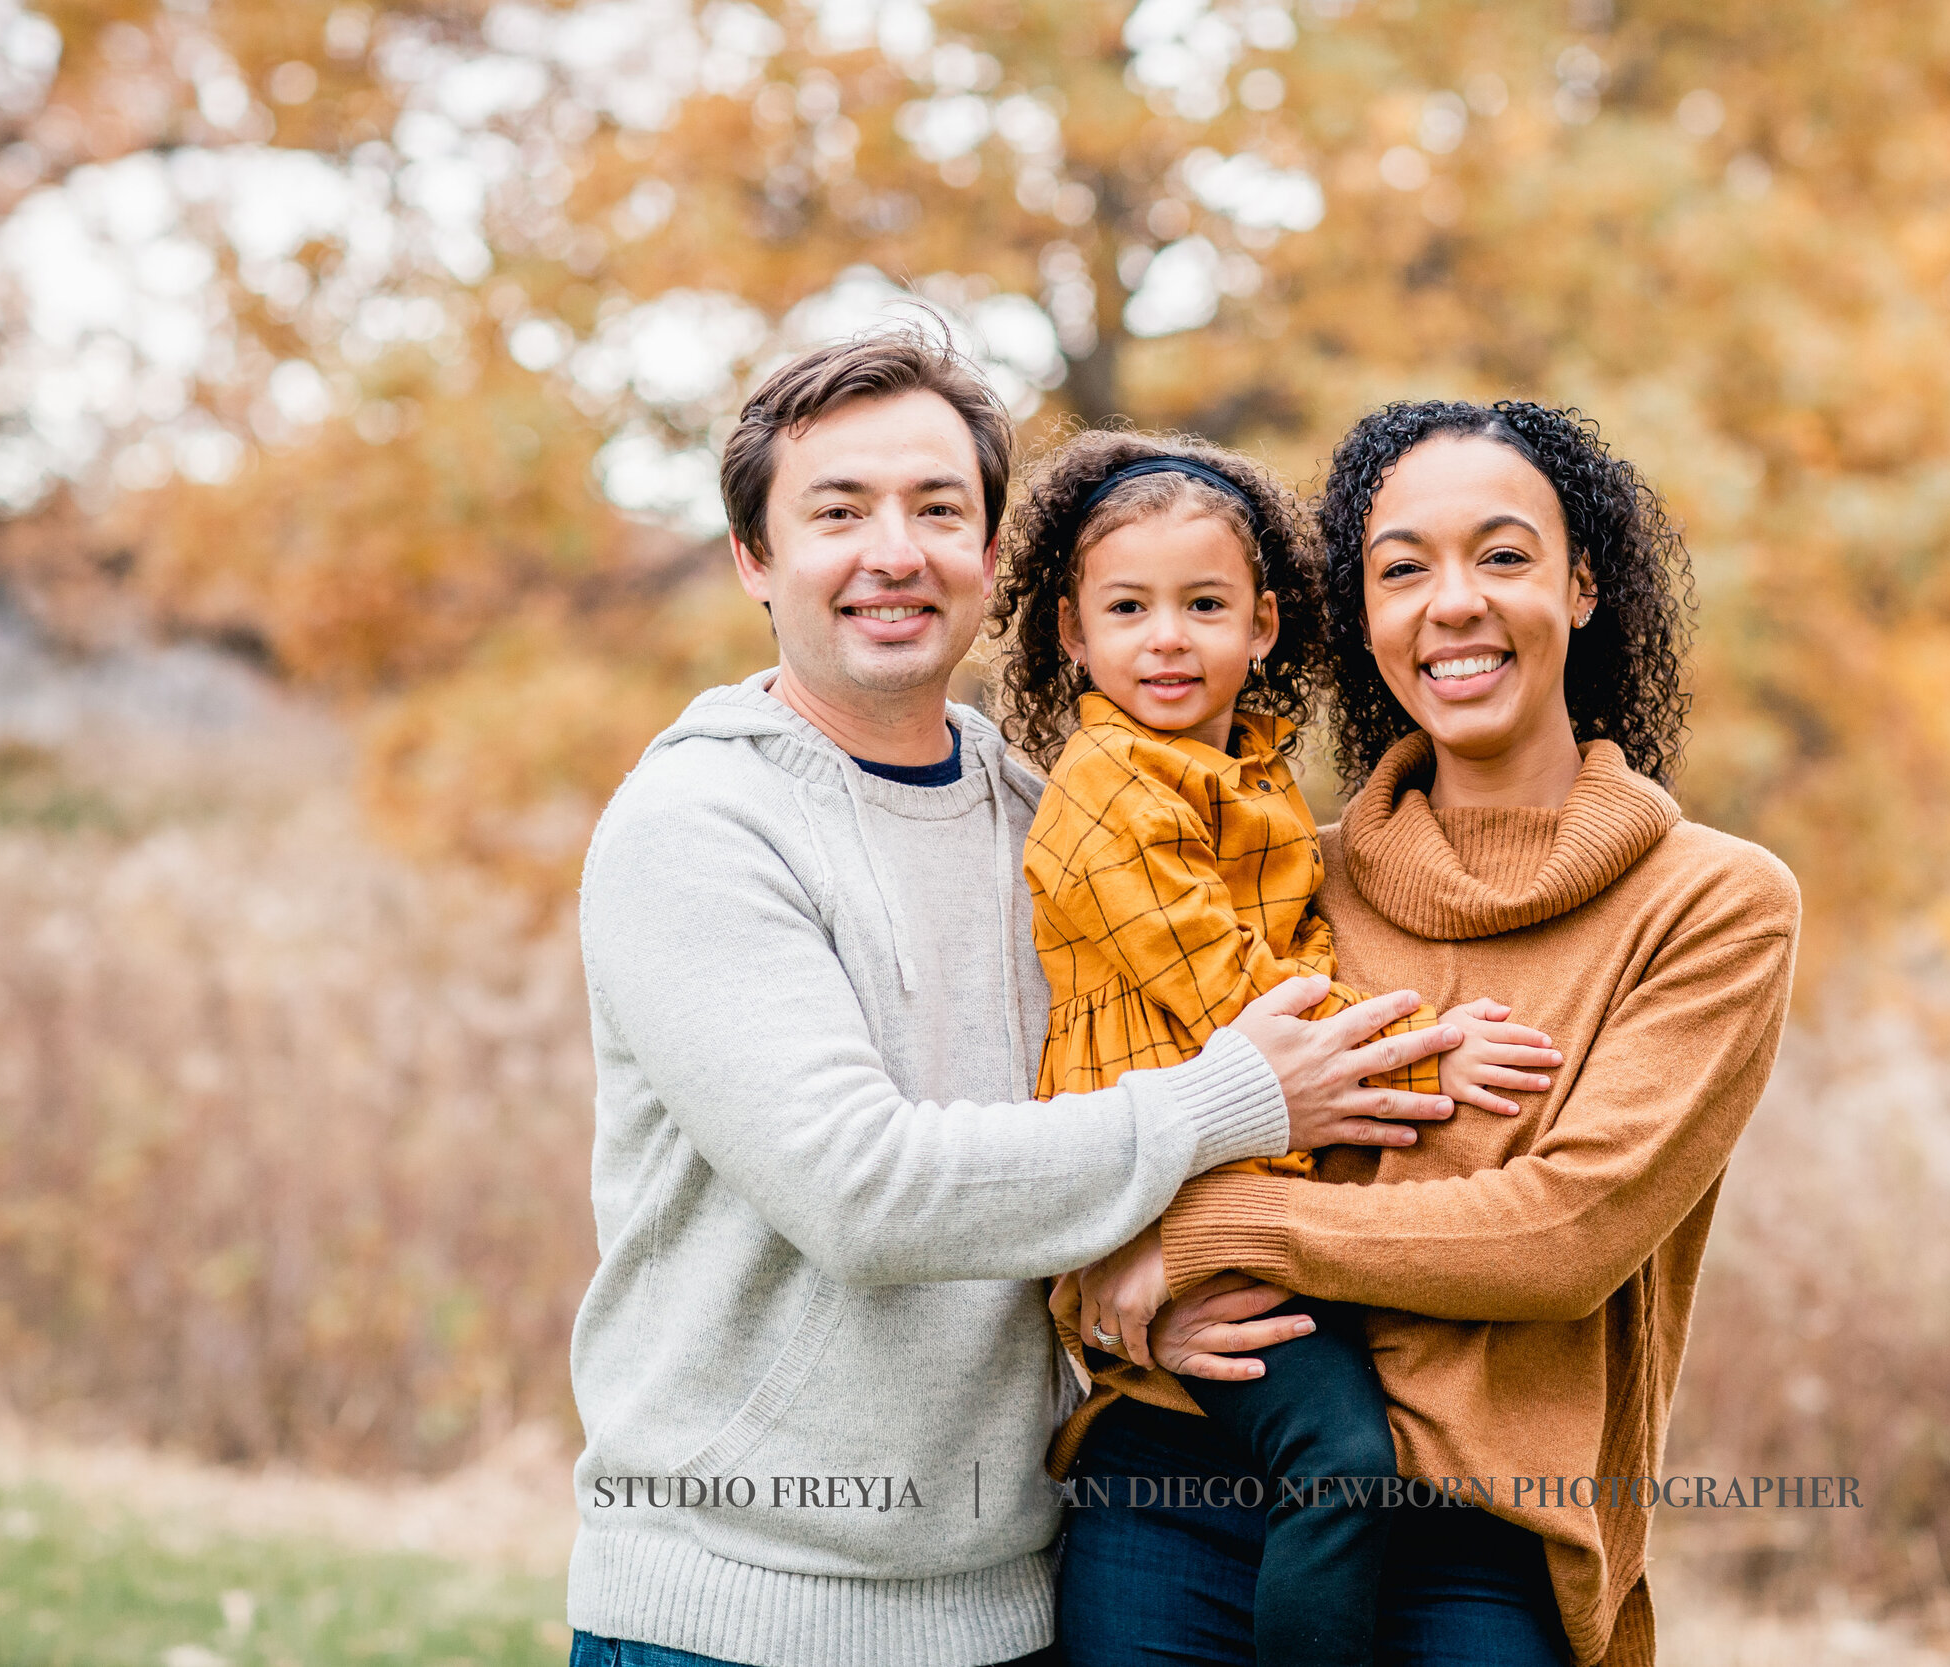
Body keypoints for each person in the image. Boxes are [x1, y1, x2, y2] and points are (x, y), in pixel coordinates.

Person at [564, 331, 1465, 1667]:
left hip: (1008, 1604)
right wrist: (1234, 1097)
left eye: (939, 510)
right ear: (756, 557)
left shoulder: (1051, 821)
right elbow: (861, 1192)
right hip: (736, 1616)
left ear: (993, 560)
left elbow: (1084, 1114)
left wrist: (1131, 1279)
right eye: (838, 511)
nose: (895, 550)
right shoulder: (699, 826)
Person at [1053, 400, 1801, 1667]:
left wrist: (1207, 1234)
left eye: (1501, 556)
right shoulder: (1271, 871)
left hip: (1481, 1526)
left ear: (1580, 586)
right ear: (1362, 617)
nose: (1451, 603)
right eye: (1402, 568)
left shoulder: (1712, 901)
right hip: (1182, 1472)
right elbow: (1094, 1109)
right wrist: (1110, 1301)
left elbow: (1565, 1232)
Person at [982, 428, 1557, 1667]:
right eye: (1127, 608)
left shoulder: (1244, 773)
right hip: (1174, 1184)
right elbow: (1219, 992)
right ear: (1072, 633)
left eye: (1203, 605)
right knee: (1341, 1463)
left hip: (1244, 1183)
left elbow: (1300, 961)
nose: (1168, 637)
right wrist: (1424, 1059)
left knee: (1343, 1453)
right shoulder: (1103, 792)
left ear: (1265, 626)